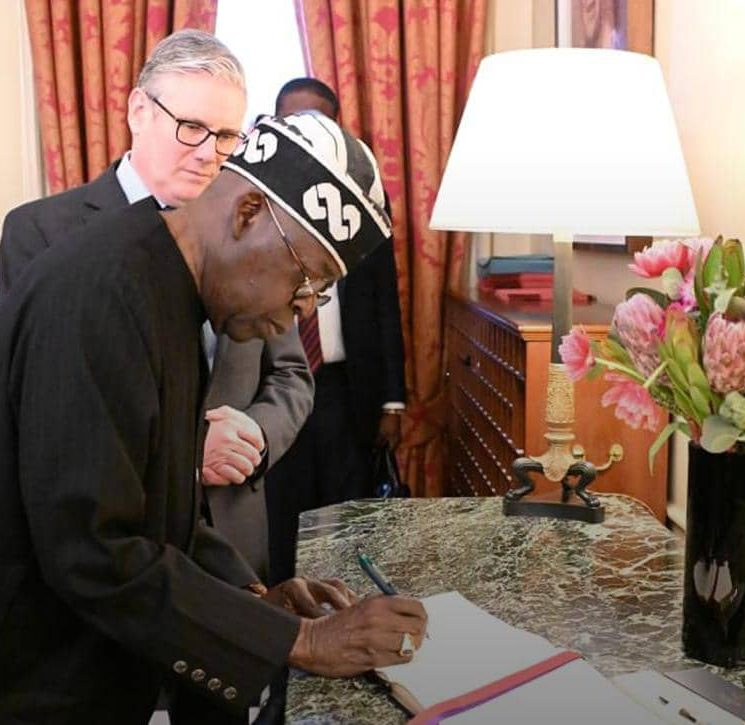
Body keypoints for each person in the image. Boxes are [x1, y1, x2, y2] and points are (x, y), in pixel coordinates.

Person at [0, 110, 428, 724]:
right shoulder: (102, 296)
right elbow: (92, 550)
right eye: (306, 278)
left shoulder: (169, 286)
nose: (304, 310)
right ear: (248, 212)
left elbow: (164, 505)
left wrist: (254, 602)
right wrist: (302, 641)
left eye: (320, 293)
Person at [0, 30, 312, 581]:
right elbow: (41, 414)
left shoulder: (252, 234)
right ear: (138, 111)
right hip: (114, 553)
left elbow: (291, 373)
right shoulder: (42, 233)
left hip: (234, 533)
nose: (208, 153)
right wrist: (190, 447)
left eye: (227, 137)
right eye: (191, 127)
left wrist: (255, 436)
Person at [265, 78, 406, 584]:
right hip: (274, 386)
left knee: (347, 507)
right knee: (283, 503)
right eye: (292, 123)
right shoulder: (257, 202)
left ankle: (346, 598)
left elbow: (385, 303)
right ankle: (287, 602)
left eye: (317, 122)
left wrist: (393, 402)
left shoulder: (363, 203)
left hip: (345, 389)